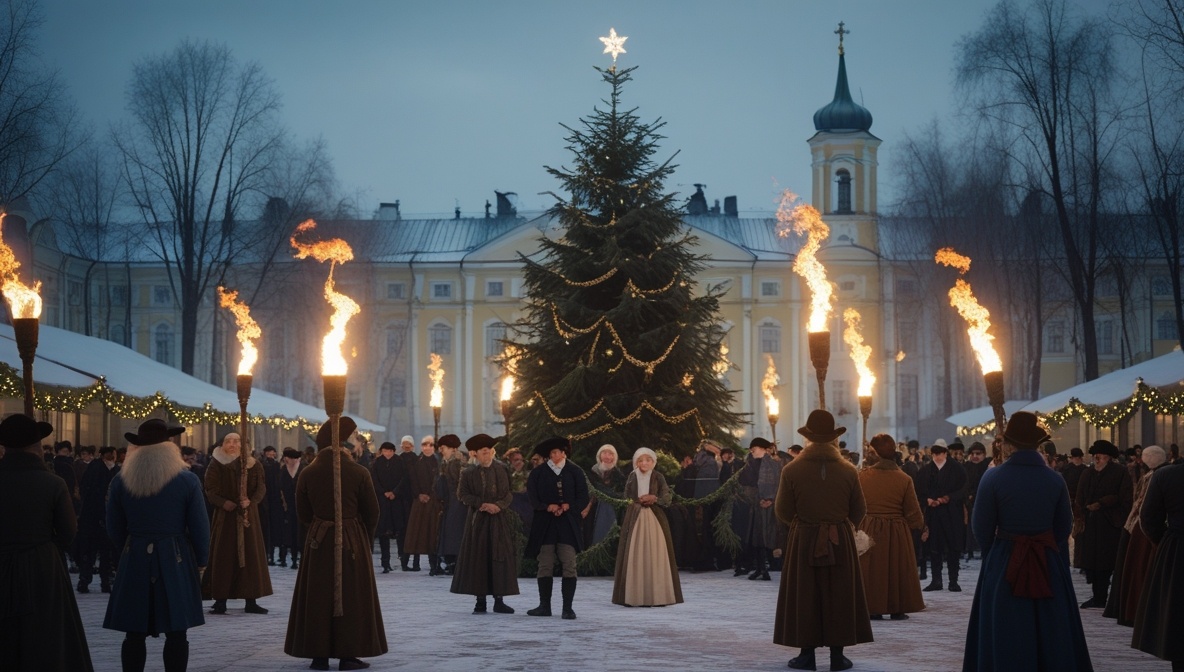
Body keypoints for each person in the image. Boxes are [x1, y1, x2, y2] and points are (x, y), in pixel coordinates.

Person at [961, 411, 1092, 671]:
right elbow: (1063, 527)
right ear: (1037, 444)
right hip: (1047, 561)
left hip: (1005, 562)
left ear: (1009, 444)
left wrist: (996, 555)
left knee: (1006, 627)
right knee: (1051, 628)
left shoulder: (993, 477)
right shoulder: (1055, 479)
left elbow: (982, 528)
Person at [103, 418, 209, 672]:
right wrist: (202, 560)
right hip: (176, 556)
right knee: (176, 632)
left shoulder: (120, 480)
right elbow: (199, 527)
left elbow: (114, 527)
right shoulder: (187, 480)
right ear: (169, 445)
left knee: (133, 632)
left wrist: (128, 549)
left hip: (135, 554)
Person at [284, 416, 386, 671]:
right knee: (350, 595)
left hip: (319, 541)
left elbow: (303, 513)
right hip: (351, 541)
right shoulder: (358, 471)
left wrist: (320, 526)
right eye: (353, 436)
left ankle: (319, 655)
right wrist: (364, 537)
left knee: (318, 595)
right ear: (343, 441)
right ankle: (347, 655)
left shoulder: (309, 471)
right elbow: (372, 512)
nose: (356, 441)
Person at [774, 410, 871, 671]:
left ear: (808, 438)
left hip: (804, 538)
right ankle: (838, 657)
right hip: (840, 539)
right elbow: (860, 510)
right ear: (832, 439)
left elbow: (782, 510)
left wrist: (803, 524)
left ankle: (807, 655)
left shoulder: (792, 469)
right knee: (839, 593)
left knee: (806, 595)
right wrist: (842, 524)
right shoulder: (849, 470)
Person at [0, 414, 94, 672]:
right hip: (41, 569)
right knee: (46, 639)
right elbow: (68, 532)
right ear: (36, 446)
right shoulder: (52, 483)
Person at [201, 432, 273, 615]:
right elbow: (210, 488)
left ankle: (251, 599)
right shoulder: (216, 463)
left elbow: (261, 487)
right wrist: (224, 503)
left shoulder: (252, 464)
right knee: (223, 557)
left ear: (242, 445)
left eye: (236, 441)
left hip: (248, 516)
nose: (232, 444)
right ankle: (220, 600)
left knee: (250, 556)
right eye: (228, 441)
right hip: (226, 518)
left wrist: (251, 501)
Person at [858, 434, 925, 620]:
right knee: (896, 567)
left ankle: (873, 607)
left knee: (873, 569)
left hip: (869, 527)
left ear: (876, 453)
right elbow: (912, 510)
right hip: (896, 530)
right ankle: (897, 608)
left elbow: (854, 505)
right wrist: (919, 525)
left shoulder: (862, 476)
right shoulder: (904, 479)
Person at [450, 433, 519, 614]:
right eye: (483, 452)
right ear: (475, 454)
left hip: (498, 520)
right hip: (477, 521)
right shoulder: (468, 472)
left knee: (498, 556)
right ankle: (480, 601)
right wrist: (481, 504)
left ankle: (499, 599)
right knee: (478, 558)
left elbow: (508, 493)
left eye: (489, 452)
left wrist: (498, 506)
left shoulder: (501, 469)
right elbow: (462, 495)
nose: (486, 456)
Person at [524, 436, 590, 620]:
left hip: (567, 524)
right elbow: (533, 496)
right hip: (546, 524)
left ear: (564, 453)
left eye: (557, 452)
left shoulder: (575, 471)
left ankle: (567, 608)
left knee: (569, 564)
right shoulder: (538, 473)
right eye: (551, 453)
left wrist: (570, 506)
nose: (554, 456)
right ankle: (544, 606)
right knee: (545, 564)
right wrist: (547, 506)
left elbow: (583, 495)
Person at [611, 447, 683, 607]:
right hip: (635, 518)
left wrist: (654, 498)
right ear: (636, 462)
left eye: (648, 460)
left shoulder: (658, 477)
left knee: (655, 553)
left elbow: (666, 497)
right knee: (635, 553)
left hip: (654, 518)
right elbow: (626, 495)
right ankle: (634, 594)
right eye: (641, 460)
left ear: (653, 462)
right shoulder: (632, 476)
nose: (644, 463)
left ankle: (657, 595)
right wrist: (636, 501)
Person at [1131, 456, 1184, 669]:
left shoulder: (1166, 475)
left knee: (1177, 615)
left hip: (1177, 551)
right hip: (1175, 545)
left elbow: (1149, 517)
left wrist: (1164, 541)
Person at [1105, 445, 1167, 626]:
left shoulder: (1152, 477)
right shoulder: (1153, 476)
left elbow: (1142, 504)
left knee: (1138, 569)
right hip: (1140, 526)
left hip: (1140, 528)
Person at [1075, 439, 1133, 609]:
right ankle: (1097, 596)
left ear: (1108, 457)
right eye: (1094, 456)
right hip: (1090, 524)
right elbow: (1080, 496)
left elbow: (1126, 499)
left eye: (1099, 456)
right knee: (1091, 563)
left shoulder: (1120, 472)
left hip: (1109, 525)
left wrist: (1104, 503)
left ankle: (1103, 597)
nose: (1096, 459)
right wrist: (1080, 514)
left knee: (1105, 563)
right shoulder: (1088, 473)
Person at [917, 438, 968, 592]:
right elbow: (918, 491)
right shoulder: (926, 470)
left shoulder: (957, 469)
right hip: (934, 515)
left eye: (939, 453)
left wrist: (948, 498)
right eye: (934, 453)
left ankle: (953, 580)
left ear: (946, 453)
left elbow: (963, 489)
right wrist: (928, 500)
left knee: (953, 547)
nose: (937, 456)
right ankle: (936, 580)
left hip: (952, 513)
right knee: (934, 548)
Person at [77, 444, 121, 594]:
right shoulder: (97, 469)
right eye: (110, 456)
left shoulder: (114, 470)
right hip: (94, 517)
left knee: (102, 552)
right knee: (95, 551)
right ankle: (90, 580)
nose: (112, 459)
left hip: (102, 518)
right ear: (104, 456)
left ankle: (100, 581)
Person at [739, 437, 779, 581]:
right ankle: (760, 568)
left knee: (764, 537)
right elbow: (745, 480)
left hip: (767, 504)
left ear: (761, 448)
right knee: (756, 537)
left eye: (753, 449)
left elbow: (776, 482)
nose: (752, 451)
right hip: (755, 503)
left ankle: (763, 569)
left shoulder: (772, 463)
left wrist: (769, 499)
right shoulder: (751, 463)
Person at [404, 434, 442, 575]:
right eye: (425, 445)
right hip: (421, 502)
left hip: (435, 501)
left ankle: (435, 564)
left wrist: (433, 495)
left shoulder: (439, 461)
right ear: (421, 446)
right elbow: (412, 480)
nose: (428, 447)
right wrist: (419, 494)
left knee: (434, 533)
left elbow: (440, 481)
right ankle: (422, 563)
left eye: (431, 445)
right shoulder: (417, 461)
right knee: (420, 534)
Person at [582, 443, 626, 548]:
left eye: (610, 454)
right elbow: (591, 492)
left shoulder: (619, 476)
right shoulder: (592, 473)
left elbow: (621, 495)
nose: (607, 456)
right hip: (593, 509)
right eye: (604, 453)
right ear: (599, 456)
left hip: (611, 511)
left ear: (614, 458)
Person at [436, 434, 467, 576]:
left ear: (453, 449)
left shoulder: (456, 464)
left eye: (443, 448)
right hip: (451, 503)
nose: (441, 451)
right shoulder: (447, 463)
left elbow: (461, 485)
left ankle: (456, 563)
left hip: (458, 504)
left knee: (454, 533)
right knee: (451, 533)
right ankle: (453, 562)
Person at [370, 441, 402, 573]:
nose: (387, 454)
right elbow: (374, 479)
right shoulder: (377, 463)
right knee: (383, 533)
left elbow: (403, 478)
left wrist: (395, 492)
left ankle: (399, 559)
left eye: (389, 451)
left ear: (393, 451)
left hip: (395, 501)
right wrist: (383, 492)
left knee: (396, 530)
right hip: (382, 501)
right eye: (385, 451)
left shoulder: (399, 462)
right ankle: (385, 562)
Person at [278, 448, 305, 569]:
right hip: (287, 507)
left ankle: (298, 558)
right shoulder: (284, 470)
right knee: (287, 533)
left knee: (300, 533)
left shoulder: (303, 469)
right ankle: (285, 558)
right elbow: (280, 486)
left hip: (300, 507)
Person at [962, 442, 988, 560]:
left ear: (984, 454)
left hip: (984, 501)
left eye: (978, 453)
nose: (975, 456)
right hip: (969, 502)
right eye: (972, 454)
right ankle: (970, 549)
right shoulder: (966, 467)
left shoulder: (987, 466)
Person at [261, 446, 283, 566]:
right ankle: (267, 553)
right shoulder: (262, 465)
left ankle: (272, 554)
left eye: (272, 452)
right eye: (269, 452)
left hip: (274, 500)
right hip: (265, 499)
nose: (271, 454)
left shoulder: (276, 466)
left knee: (273, 528)